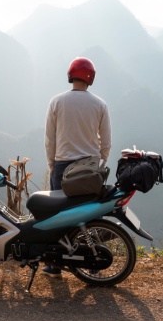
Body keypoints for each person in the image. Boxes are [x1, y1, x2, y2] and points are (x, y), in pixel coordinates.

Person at [42, 56, 112, 277]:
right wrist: (100, 163)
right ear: (90, 79)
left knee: (57, 216)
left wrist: (52, 164)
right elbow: (106, 141)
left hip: (63, 167)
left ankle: (54, 266)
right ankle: (93, 263)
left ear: (70, 75)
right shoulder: (100, 104)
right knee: (89, 215)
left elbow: (49, 139)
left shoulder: (56, 102)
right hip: (90, 168)